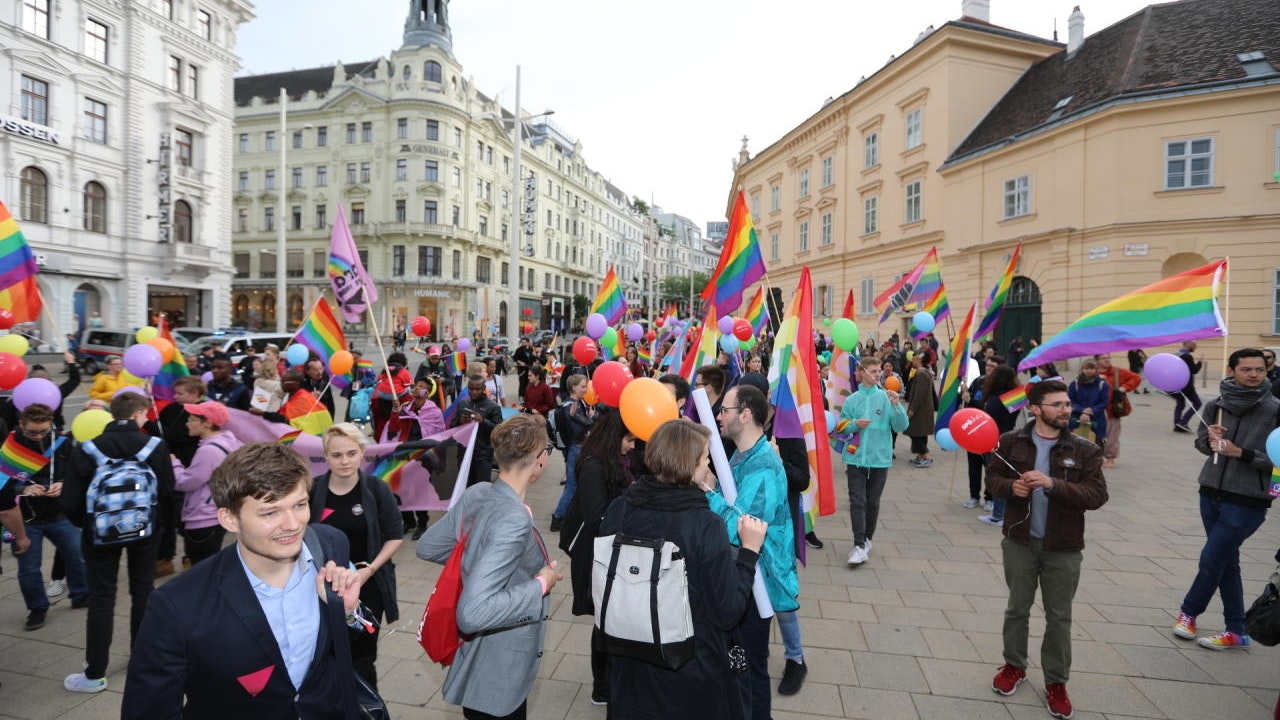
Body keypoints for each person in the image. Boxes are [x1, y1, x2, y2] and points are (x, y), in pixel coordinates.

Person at [121, 442, 367, 719]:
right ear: (229, 519)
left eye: (299, 504)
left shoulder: (331, 543)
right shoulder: (176, 605)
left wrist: (347, 613)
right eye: (270, 512)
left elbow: (352, 646)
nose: (293, 524)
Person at [600, 420, 765, 720]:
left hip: (630, 663)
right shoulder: (704, 525)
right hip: (689, 670)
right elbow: (727, 611)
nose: (708, 466)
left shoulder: (619, 508)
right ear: (689, 467)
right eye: (704, 459)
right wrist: (749, 554)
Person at [417, 414, 562, 720]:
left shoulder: (479, 492)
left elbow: (429, 546)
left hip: (477, 663)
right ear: (540, 459)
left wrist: (478, 562)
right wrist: (541, 584)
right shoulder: (514, 519)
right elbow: (473, 614)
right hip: (500, 666)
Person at [985, 379, 1108, 720]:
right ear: (1035, 409)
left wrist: (1054, 485)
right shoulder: (1011, 442)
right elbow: (992, 480)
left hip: (1064, 545)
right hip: (1020, 541)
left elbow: (1097, 496)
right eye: (1057, 405)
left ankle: (1056, 682)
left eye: (1066, 404)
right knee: (1017, 608)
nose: (1065, 410)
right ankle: (1014, 666)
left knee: (1059, 617)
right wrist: (1012, 487)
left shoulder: (1084, 449)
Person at [61, 392, 176, 693]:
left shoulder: (87, 448)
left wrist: (88, 525)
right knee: (142, 591)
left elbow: (70, 501)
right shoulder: (155, 446)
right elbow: (167, 491)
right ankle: (140, 657)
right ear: (138, 414)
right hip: (145, 530)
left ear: (113, 414)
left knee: (102, 598)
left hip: (99, 535)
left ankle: (95, 673)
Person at [1173, 348, 1279, 650]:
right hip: (1210, 492)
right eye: (1246, 369)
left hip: (1248, 499)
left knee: (1212, 559)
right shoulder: (1216, 405)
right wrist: (1209, 440)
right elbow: (1201, 446)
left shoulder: (1275, 409)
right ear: (1232, 370)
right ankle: (1237, 629)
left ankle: (1188, 612)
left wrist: (1241, 453)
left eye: (1259, 369)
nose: (1254, 374)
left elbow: (1278, 461)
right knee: (1226, 562)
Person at [705, 384, 799, 720]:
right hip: (745, 576)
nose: (719, 416)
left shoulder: (761, 465)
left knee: (750, 671)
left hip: (758, 582)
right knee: (741, 666)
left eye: (725, 410)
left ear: (745, 415)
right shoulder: (744, 454)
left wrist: (705, 491)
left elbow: (743, 526)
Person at [311, 423, 403, 688]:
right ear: (325, 456)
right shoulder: (312, 490)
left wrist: (369, 570)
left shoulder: (376, 489)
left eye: (351, 453)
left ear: (362, 452)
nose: (344, 461)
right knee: (327, 656)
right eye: (336, 455)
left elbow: (394, 536)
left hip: (368, 588)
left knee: (362, 659)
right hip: (322, 589)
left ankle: (367, 710)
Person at [557, 410, 635, 705]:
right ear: (615, 437)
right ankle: (601, 685)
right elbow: (596, 517)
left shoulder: (617, 460)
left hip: (609, 551)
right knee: (604, 621)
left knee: (610, 619)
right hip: (594, 554)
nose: (631, 446)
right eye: (628, 440)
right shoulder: (593, 466)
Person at [11, 403, 88, 631]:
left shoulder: (61, 442)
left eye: (44, 431)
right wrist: (21, 490)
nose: (38, 436)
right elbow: (2, 482)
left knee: (77, 555)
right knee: (29, 568)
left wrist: (63, 484)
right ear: (20, 425)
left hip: (59, 513)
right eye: (32, 432)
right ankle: (37, 609)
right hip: (26, 519)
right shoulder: (9, 448)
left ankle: (81, 594)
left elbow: (76, 472)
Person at [840, 358, 909, 564]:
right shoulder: (852, 400)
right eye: (872, 371)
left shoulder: (888, 397)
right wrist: (854, 424)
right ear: (861, 373)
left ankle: (868, 538)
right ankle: (859, 544)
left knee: (872, 503)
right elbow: (841, 427)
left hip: (880, 459)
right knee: (857, 502)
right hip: (855, 458)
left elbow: (901, 426)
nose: (877, 374)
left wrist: (897, 406)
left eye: (879, 371)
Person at [170, 401, 243, 567]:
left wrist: (174, 464)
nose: (187, 423)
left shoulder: (209, 451)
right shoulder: (228, 442)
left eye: (192, 419)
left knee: (202, 565)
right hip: (216, 511)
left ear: (207, 423)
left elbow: (186, 482)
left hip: (204, 516)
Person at [978, 365, 1024, 528]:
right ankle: (1005, 513)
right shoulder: (1017, 396)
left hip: (995, 440)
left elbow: (988, 420)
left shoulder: (995, 399)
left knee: (997, 476)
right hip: (1012, 438)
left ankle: (998, 515)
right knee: (1008, 477)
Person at [550, 374, 596, 530]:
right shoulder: (571, 406)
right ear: (574, 387)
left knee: (573, 484)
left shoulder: (575, 404)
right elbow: (577, 431)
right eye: (583, 386)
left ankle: (565, 514)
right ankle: (558, 517)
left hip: (575, 448)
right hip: (576, 449)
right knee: (572, 485)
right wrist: (589, 421)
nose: (586, 389)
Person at [963, 355, 1003, 508]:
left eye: (992, 366)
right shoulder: (978, 382)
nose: (989, 368)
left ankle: (989, 498)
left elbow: (989, 409)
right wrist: (966, 397)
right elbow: (970, 406)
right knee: (973, 467)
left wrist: (971, 401)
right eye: (988, 365)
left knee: (990, 467)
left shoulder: (1000, 387)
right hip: (974, 432)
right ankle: (974, 496)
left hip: (991, 433)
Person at [453, 376, 504, 487]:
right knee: (464, 487)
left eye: (477, 389)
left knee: (481, 487)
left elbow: (499, 431)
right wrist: (460, 421)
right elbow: (452, 427)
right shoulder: (463, 404)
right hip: (464, 453)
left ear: (484, 388)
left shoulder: (493, 407)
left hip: (482, 455)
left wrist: (483, 421)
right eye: (471, 389)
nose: (474, 392)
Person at [1095, 353, 1141, 469]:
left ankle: (1110, 458)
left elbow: (1136, 378)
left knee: (1112, 435)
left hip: (1111, 410)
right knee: (1095, 435)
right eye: (1104, 358)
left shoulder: (1116, 372)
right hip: (1095, 410)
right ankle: (1096, 457)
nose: (1107, 360)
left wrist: (1124, 387)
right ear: (1097, 360)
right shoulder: (1092, 371)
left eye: (1109, 358)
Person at [1067, 359, 1109, 447]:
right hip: (1076, 419)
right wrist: (1082, 410)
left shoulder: (1102, 385)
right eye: (1086, 368)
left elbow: (1104, 402)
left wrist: (1092, 410)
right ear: (1082, 369)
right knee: (1074, 445)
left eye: (1092, 368)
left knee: (1096, 446)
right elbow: (1070, 401)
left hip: (1097, 420)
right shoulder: (1075, 384)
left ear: (1096, 370)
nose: (1089, 371)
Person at [905, 351, 936, 467]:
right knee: (921, 433)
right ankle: (920, 456)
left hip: (920, 409)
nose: (913, 360)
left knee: (914, 432)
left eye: (915, 358)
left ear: (919, 360)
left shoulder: (922, 374)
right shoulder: (923, 373)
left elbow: (919, 394)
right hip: (923, 408)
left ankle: (926, 456)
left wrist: (912, 409)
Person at [372, 352, 413, 440]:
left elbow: (375, 417)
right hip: (400, 438)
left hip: (381, 434)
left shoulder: (384, 372)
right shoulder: (408, 399)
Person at [1173, 340, 1203, 433]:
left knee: (1180, 404)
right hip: (1187, 385)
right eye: (1194, 345)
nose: (1195, 347)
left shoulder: (1176, 354)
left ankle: (1177, 425)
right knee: (1197, 403)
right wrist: (1200, 362)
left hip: (1177, 384)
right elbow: (1194, 370)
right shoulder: (1187, 356)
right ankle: (1183, 423)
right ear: (1188, 344)